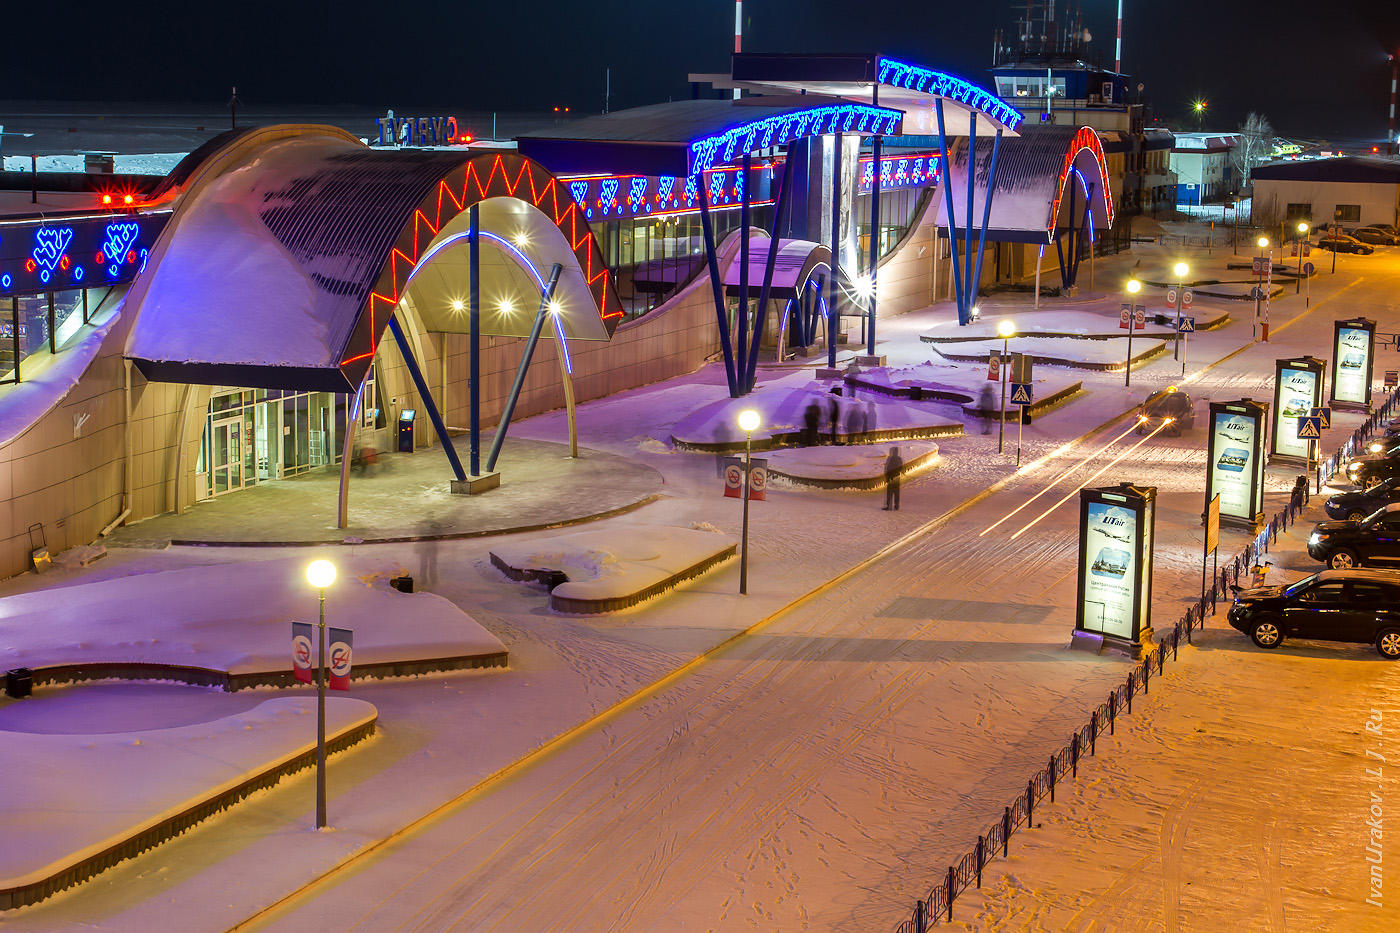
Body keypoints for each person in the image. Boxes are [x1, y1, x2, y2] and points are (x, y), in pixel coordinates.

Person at [883, 446, 903, 510]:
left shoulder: (891, 459)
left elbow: (888, 468)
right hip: (896, 478)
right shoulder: (899, 459)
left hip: (892, 478)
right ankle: (895, 506)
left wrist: (887, 476)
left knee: (890, 492)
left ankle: (889, 506)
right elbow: (901, 468)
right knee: (895, 492)